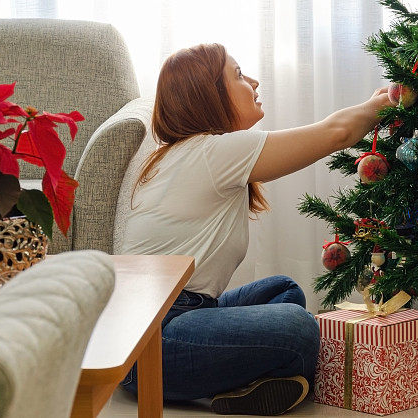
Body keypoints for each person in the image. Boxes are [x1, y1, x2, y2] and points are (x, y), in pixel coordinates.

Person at [119, 43, 393, 415]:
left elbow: (336, 132)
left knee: (283, 290)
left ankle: (246, 384)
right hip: (152, 346)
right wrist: (386, 101)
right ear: (210, 95)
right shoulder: (209, 152)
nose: (253, 81)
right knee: (298, 327)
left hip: (181, 318)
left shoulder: (192, 152)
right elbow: (335, 134)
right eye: (237, 74)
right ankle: (249, 376)